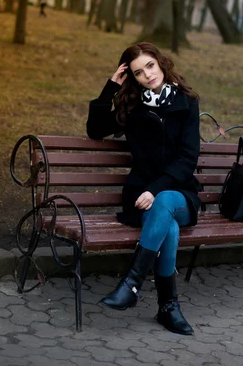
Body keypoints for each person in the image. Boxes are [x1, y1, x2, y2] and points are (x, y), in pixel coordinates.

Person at [86, 42, 201, 335]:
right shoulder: (133, 107)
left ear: (161, 63)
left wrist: (156, 190)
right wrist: (110, 88)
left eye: (150, 65)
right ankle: (168, 308)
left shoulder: (187, 102)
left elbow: (187, 159)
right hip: (140, 197)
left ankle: (131, 284)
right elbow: (95, 130)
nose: (147, 75)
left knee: (163, 203)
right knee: (169, 230)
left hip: (179, 193)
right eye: (138, 72)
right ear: (133, 77)